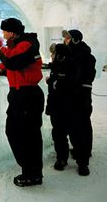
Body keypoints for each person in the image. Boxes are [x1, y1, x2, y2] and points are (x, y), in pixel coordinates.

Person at [0, 18, 44, 187]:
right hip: (18, 95)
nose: (2, 34)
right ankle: (28, 168)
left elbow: (13, 61)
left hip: (28, 95)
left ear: (11, 32)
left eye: (4, 31)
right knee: (13, 131)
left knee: (28, 135)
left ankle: (33, 174)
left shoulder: (27, 44)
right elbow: (9, 65)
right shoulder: (16, 46)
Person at [62, 29, 96, 176]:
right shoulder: (73, 54)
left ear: (75, 40)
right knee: (80, 126)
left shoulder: (84, 56)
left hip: (80, 96)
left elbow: (85, 76)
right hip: (74, 95)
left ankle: (83, 162)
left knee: (81, 127)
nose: (65, 40)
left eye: (68, 38)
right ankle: (82, 153)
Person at [45, 43, 77, 171]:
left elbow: (68, 84)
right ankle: (62, 158)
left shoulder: (71, 66)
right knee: (58, 133)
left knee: (73, 132)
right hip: (56, 105)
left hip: (67, 105)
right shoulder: (57, 66)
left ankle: (82, 161)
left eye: (53, 53)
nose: (52, 56)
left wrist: (54, 81)